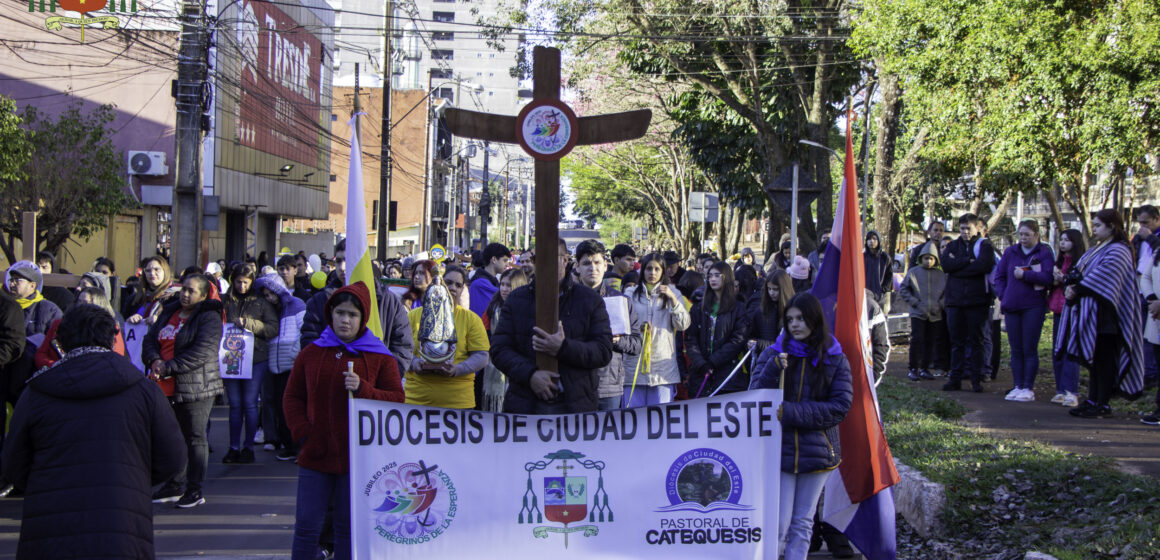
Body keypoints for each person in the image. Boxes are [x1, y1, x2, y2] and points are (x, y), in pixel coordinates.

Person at [1, 304, 186, 558]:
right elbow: (173, 458)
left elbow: (13, 463)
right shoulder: (143, 390)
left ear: (61, 344)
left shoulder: (38, 392)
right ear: (112, 339)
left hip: (50, 525)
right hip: (121, 522)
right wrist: (133, 478)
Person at [283, 282, 404, 560]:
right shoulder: (311, 353)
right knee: (306, 529)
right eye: (340, 313)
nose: (345, 320)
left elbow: (398, 400)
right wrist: (303, 433)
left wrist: (364, 389)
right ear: (330, 314)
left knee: (348, 531)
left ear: (363, 319)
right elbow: (292, 397)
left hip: (358, 461)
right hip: (315, 456)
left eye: (352, 314)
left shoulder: (379, 357)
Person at [749, 293, 853, 560]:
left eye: (801, 319)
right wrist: (773, 369)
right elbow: (755, 396)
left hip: (818, 453)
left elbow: (840, 406)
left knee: (803, 523)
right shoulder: (774, 353)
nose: (795, 325)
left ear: (814, 320)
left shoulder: (835, 357)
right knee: (779, 524)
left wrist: (792, 413)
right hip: (779, 452)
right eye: (790, 319)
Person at [492, 238, 614, 414]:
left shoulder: (589, 300)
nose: (545, 263)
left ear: (565, 260)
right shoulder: (516, 299)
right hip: (526, 405)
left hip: (575, 407)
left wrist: (563, 348)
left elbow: (603, 351)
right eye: (540, 258)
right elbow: (499, 349)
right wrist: (530, 375)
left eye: (552, 257)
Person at [144, 274, 225, 508]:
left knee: (194, 438)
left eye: (191, 291)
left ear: (202, 295)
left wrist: (168, 367)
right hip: (164, 384)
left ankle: (194, 489)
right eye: (183, 290)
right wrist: (154, 361)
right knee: (173, 437)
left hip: (196, 386)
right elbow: (150, 340)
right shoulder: (169, 311)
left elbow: (202, 353)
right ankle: (174, 484)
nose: (185, 294)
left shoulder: (209, 317)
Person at [1058, 209, 1145, 418]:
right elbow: (1079, 271)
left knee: (1105, 359)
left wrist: (1077, 288)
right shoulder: (1098, 249)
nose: (1094, 229)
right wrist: (1070, 283)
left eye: (1097, 225)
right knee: (1095, 359)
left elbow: (1103, 278)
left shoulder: (1120, 250)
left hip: (1109, 315)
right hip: (1092, 314)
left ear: (1112, 226)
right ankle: (1092, 399)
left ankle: (1103, 403)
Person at [405, 264, 490, 409]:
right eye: (448, 282)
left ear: (463, 289)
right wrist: (415, 364)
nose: (452, 288)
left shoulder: (471, 319)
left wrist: (458, 369)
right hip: (416, 401)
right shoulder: (413, 316)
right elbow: (401, 350)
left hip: (458, 403)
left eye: (458, 285)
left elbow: (482, 356)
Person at [573, 240, 642, 410]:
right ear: (577, 267)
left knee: (609, 435)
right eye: (586, 263)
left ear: (605, 265)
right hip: (575, 382)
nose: (592, 268)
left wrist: (617, 340)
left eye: (597, 262)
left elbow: (636, 344)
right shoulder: (567, 300)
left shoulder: (621, 301)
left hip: (609, 385)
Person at [222, 263, 280, 464]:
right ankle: (233, 447)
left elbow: (273, 328)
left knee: (249, 403)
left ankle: (248, 447)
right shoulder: (225, 301)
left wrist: (248, 323)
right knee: (235, 404)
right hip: (231, 358)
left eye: (246, 282)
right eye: (238, 282)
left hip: (256, 359)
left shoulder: (261, 302)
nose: (242, 286)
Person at [994, 219, 1055, 402]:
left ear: (1036, 235)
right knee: (1016, 348)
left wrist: (1026, 275)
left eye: (1027, 234)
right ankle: (1018, 385)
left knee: (1029, 348)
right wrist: (1003, 294)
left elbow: (1049, 276)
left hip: (1033, 306)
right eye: (1020, 234)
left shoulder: (1044, 253)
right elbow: (999, 275)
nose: (1023, 238)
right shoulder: (1010, 252)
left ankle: (1028, 386)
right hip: (1012, 305)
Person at [623, 252, 690, 407]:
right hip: (634, 367)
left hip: (663, 370)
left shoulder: (675, 293)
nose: (652, 273)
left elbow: (683, 324)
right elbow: (622, 324)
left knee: (660, 421)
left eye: (657, 269)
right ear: (642, 271)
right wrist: (636, 327)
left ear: (663, 271)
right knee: (634, 419)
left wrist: (673, 299)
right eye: (648, 269)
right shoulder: (630, 294)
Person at [941, 214, 996, 392]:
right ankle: (955, 378)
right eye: (962, 228)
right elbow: (946, 265)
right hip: (955, 301)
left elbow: (983, 266)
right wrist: (966, 262)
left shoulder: (985, 245)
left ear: (977, 228)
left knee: (976, 341)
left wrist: (959, 267)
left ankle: (976, 379)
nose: (965, 232)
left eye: (969, 228)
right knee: (956, 342)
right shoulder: (952, 245)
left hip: (977, 301)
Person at [256, 273, 306, 461]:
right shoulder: (269, 311)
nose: (269, 298)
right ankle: (287, 445)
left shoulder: (298, 305)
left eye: (271, 294)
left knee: (292, 409)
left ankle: (297, 446)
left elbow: (304, 330)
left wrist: (295, 354)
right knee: (279, 407)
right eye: (265, 295)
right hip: (274, 367)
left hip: (291, 366)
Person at [687, 262, 750, 398]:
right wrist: (701, 363)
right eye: (710, 276)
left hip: (727, 377)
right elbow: (691, 339)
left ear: (726, 277)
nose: (713, 279)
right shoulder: (698, 308)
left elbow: (738, 339)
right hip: (700, 375)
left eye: (717, 275)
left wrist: (714, 361)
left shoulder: (738, 308)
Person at [35, 286, 126, 368]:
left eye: (86, 302)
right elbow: (41, 354)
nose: (80, 306)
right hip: (59, 375)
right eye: (79, 301)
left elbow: (117, 358)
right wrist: (55, 365)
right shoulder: (59, 324)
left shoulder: (110, 328)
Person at [479, 268, 529, 411]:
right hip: (494, 362)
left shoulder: (527, 309)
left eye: (509, 285)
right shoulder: (492, 307)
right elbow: (484, 333)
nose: (504, 289)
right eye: (502, 284)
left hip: (518, 366)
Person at [899, 242, 946, 381]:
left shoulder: (941, 275)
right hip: (918, 312)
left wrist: (940, 305)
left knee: (930, 341)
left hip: (935, 314)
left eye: (931, 258)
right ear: (921, 258)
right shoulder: (914, 272)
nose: (928, 261)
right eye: (926, 258)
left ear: (936, 259)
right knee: (917, 340)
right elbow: (904, 289)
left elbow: (947, 293)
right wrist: (914, 303)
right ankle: (913, 368)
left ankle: (925, 368)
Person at [1049, 229, 1085, 407]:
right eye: (1061, 240)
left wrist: (1063, 279)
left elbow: (1079, 282)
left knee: (1071, 349)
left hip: (1072, 310)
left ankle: (1072, 390)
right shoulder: (1059, 261)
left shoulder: (1081, 263)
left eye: (1067, 240)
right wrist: (1054, 279)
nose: (1062, 243)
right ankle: (1060, 389)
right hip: (1057, 309)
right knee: (1058, 348)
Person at [747, 270, 794, 357]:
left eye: (776, 289)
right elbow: (752, 334)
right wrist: (751, 343)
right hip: (765, 361)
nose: (772, 293)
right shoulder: (761, 311)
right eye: (769, 289)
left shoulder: (794, 313)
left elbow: (788, 345)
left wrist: (760, 344)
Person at [125, 255, 179, 325]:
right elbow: (123, 322)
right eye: (148, 270)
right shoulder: (135, 299)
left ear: (165, 271)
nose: (152, 273)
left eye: (157, 269)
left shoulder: (175, 297)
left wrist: (159, 320)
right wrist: (130, 320)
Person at [469, 242, 511, 318]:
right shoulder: (480, 284)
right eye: (504, 260)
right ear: (494, 259)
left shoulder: (490, 281)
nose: (507, 264)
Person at [863, 231, 893, 314]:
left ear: (878, 241)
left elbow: (889, 275)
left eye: (874, 239)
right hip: (865, 294)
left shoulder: (885, 257)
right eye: (869, 239)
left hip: (881, 295)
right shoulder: (862, 257)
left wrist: (884, 289)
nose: (871, 241)